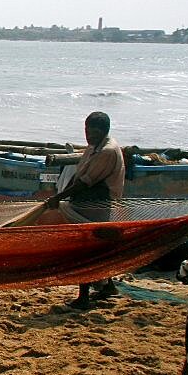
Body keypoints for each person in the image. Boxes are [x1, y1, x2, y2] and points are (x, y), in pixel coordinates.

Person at [45, 111, 125, 309]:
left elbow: (85, 182)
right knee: (98, 245)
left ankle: (84, 297)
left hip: (97, 203)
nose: (89, 135)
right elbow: (79, 174)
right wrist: (61, 193)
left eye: (93, 132)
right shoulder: (93, 148)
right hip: (85, 202)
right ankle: (108, 287)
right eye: (87, 130)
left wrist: (59, 198)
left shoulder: (107, 151)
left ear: (103, 131)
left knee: (87, 247)